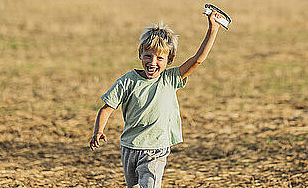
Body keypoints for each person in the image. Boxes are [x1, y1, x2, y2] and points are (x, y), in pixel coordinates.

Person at [89, 10, 224, 188]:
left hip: (156, 148)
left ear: (170, 59)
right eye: (148, 56)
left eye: (160, 58)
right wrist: (98, 131)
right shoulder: (127, 80)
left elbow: (197, 60)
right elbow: (107, 108)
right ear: (140, 55)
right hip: (130, 146)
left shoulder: (170, 78)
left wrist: (212, 29)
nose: (153, 62)